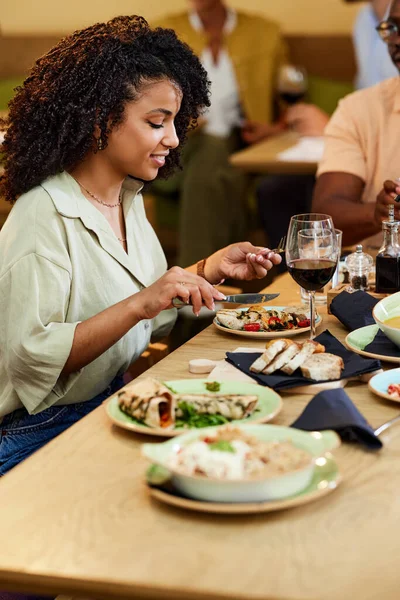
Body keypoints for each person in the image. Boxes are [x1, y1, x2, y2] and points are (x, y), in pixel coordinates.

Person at [0, 15, 281, 476]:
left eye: (175, 122)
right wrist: (140, 303)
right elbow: (32, 358)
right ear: (99, 120)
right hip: (39, 432)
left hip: (113, 399)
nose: (173, 139)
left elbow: (144, 313)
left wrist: (207, 269)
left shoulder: (127, 199)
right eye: (157, 122)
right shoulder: (41, 215)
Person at [152, 0, 288, 266]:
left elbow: (288, 106)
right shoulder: (164, 31)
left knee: (213, 164)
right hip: (179, 143)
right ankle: (208, 276)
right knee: (217, 161)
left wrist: (272, 130)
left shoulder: (264, 32)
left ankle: (192, 279)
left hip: (240, 143)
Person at [312, 0, 400, 249]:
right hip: (381, 281)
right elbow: (325, 219)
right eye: (391, 28)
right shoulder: (358, 110)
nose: (396, 40)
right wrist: (379, 212)